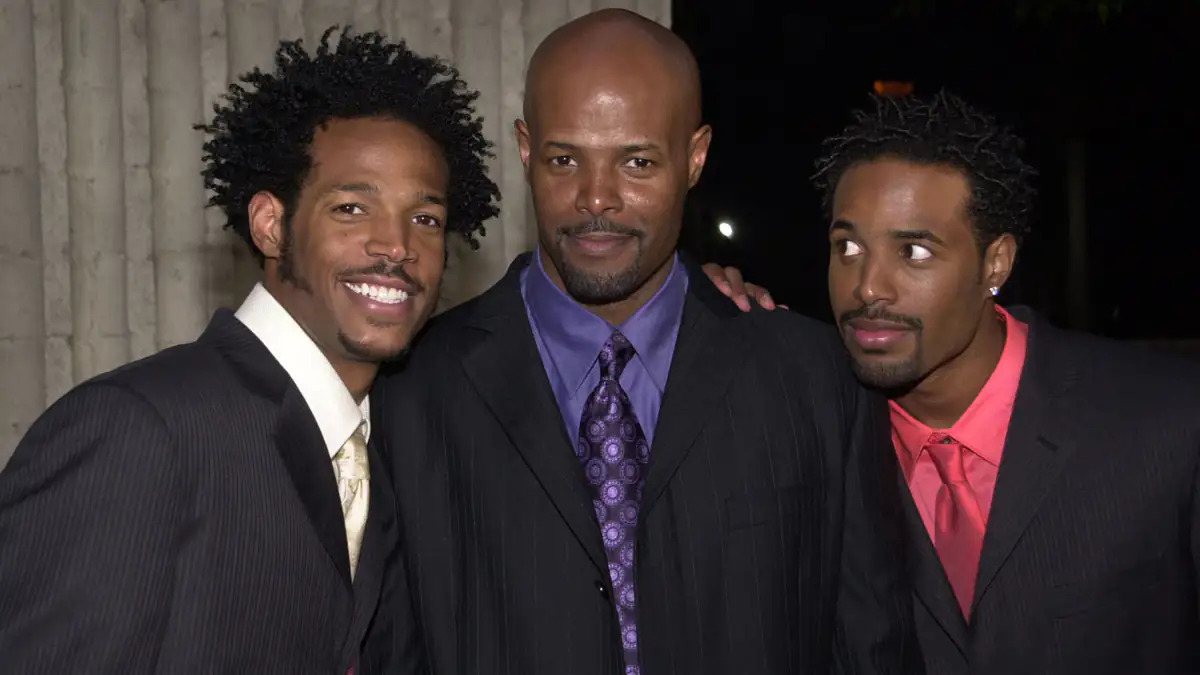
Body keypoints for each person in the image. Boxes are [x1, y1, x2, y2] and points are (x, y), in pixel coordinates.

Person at [364, 9, 919, 675]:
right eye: (565, 159)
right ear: (525, 149)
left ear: (695, 157)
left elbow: (871, 649)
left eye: (636, 161)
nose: (597, 198)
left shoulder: (816, 381)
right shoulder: (412, 391)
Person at [0, 28, 499, 674]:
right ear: (270, 225)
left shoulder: (381, 457)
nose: (397, 245)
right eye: (352, 208)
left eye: (425, 219)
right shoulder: (139, 430)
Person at [710, 90, 1200, 674]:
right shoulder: (808, 429)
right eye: (849, 247)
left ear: (995, 263)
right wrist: (698, 318)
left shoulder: (1169, 420)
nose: (868, 287)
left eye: (914, 251)